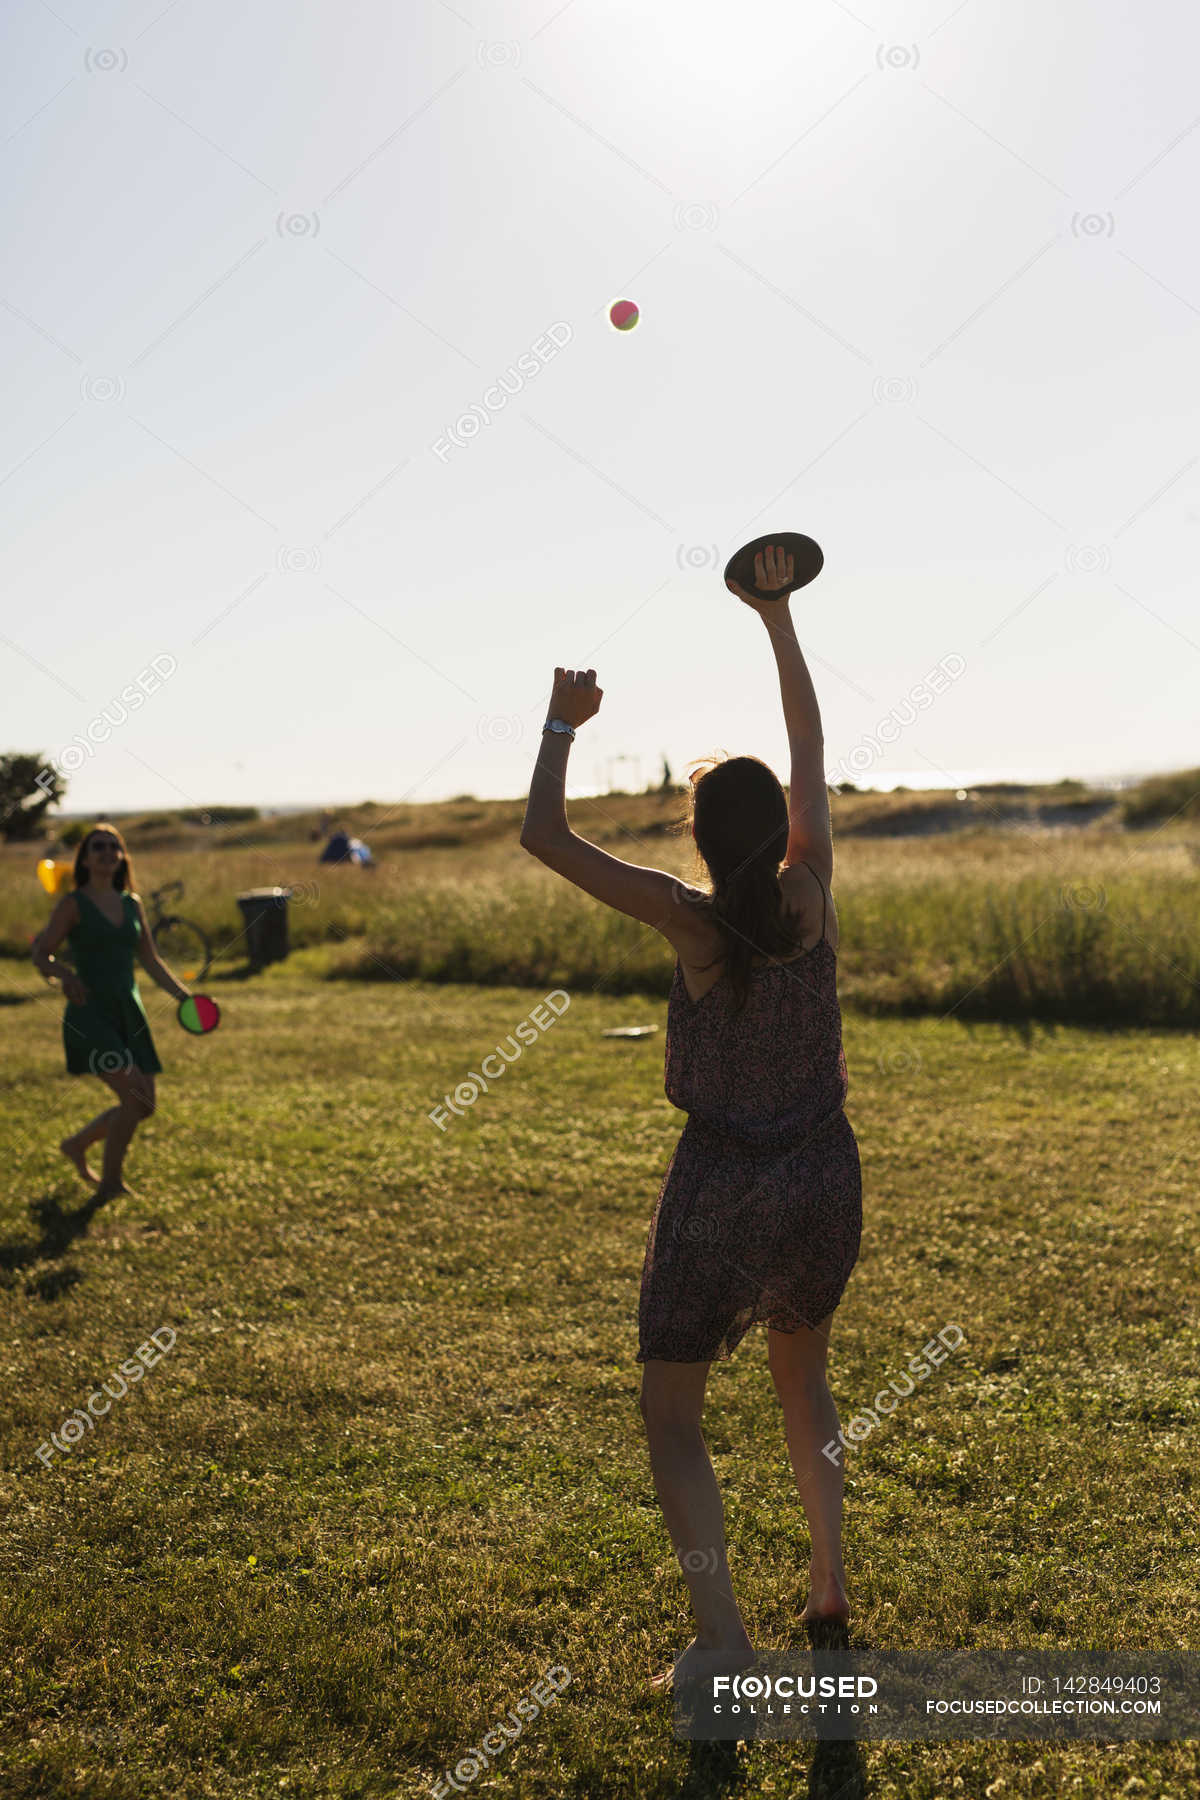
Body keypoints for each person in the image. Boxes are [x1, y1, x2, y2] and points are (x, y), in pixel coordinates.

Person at [520, 544, 862, 1692]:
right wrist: (775, 619)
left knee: (673, 1412)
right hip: (822, 1175)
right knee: (802, 1380)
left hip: (721, 1188)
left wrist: (565, 726)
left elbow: (545, 841)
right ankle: (828, 1581)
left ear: (700, 839)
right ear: (781, 829)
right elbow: (811, 749)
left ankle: (724, 1643)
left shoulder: (691, 921)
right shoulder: (812, 895)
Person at [31, 824, 194, 1204]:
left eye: (114, 846)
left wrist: (185, 996)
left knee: (144, 1105)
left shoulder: (131, 903)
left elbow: (150, 960)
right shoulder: (73, 904)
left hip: (129, 1011)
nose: (106, 852)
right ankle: (110, 1183)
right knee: (134, 1095)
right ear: (85, 859)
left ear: (122, 856)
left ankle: (77, 1144)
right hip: (90, 1014)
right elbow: (41, 953)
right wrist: (64, 974)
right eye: (97, 847)